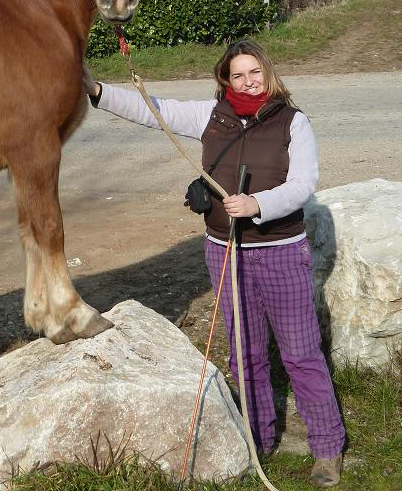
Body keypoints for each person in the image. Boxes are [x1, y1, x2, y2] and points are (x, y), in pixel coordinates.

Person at [83, 39, 345, 488]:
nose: (249, 81)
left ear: (268, 72)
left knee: (301, 353)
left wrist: (258, 204)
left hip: (281, 252)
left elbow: (304, 184)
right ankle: (259, 440)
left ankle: (327, 446)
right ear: (226, 80)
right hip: (224, 251)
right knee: (246, 354)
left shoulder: (292, 121)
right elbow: (154, 110)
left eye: (255, 72)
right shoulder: (211, 116)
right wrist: (97, 90)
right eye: (238, 75)